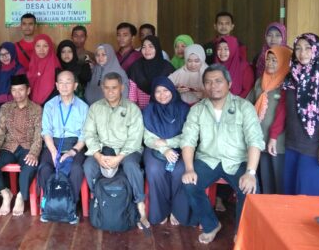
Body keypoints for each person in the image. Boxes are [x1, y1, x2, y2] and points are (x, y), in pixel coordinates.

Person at [181, 64, 264, 244]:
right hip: (208, 160)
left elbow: (255, 140)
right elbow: (188, 140)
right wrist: (189, 169)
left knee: (251, 189)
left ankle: (241, 231)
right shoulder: (198, 109)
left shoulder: (244, 107)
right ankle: (211, 225)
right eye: (208, 82)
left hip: (237, 161)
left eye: (218, 81)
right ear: (204, 86)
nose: (213, 86)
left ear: (229, 83)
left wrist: (250, 173)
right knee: (189, 184)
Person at [268, 33, 319, 196]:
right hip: (292, 144)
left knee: (309, 196)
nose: (302, 53)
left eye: (308, 48)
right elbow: (283, 108)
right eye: (298, 48)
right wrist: (274, 135)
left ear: (317, 50)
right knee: (290, 192)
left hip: (316, 147)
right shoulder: (291, 77)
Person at [83, 72, 150, 229]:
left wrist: (119, 157)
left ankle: (140, 205)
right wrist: (98, 156)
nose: (110, 91)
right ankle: (99, 197)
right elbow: (89, 134)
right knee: (88, 165)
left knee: (131, 166)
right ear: (102, 88)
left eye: (114, 88)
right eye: (106, 88)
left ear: (121, 87)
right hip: (103, 149)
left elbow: (135, 138)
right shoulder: (95, 108)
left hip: (127, 150)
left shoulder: (132, 109)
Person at [0, 74, 42, 216]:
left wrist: (34, 152)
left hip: (27, 147)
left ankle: (21, 196)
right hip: (8, 147)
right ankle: (5, 194)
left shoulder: (37, 109)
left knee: (30, 165)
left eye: (21, 90)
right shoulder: (5, 108)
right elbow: (0, 131)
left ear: (28, 90)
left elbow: (39, 134)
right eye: (14, 90)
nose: (17, 94)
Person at [38, 70, 89, 223]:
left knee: (76, 169)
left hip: (75, 145)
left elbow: (84, 135)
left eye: (69, 82)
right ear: (57, 86)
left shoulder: (83, 107)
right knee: (45, 167)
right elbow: (46, 131)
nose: (65, 86)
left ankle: (70, 207)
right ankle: (49, 205)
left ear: (75, 85)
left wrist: (73, 152)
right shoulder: (49, 105)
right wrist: (53, 152)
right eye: (61, 82)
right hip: (53, 144)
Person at [143, 77, 191, 226]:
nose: (162, 94)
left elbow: (189, 135)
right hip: (155, 149)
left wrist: (169, 143)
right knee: (154, 170)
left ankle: (177, 211)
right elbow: (147, 137)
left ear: (172, 91)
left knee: (181, 170)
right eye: (158, 91)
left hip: (182, 149)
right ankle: (160, 211)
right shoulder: (149, 110)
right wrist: (165, 149)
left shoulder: (184, 109)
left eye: (166, 90)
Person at [246, 46, 292, 194]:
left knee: (279, 180)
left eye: (275, 60)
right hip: (260, 138)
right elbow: (248, 104)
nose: (270, 63)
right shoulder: (261, 81)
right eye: (268, 59)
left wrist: (275, 137)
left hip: (279, 141)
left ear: (284, 62)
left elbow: (287, 113)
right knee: (265, 179)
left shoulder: (287, 84)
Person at [128, 35, 175, 110]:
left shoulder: (167, 68)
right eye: (144, 47)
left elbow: (173, 92)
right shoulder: (136, 67)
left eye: (151, 46)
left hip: (164, 111)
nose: (147, 50)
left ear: (157, 48)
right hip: (141, 112)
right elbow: (132, 97)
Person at [27, 34, 60, 105]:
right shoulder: (32, 65)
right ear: (34, 47)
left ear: (50, 48)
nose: (41, 49)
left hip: (51, 107)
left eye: (45, 46)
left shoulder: (56, 67)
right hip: (33, 108)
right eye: (38, 46)